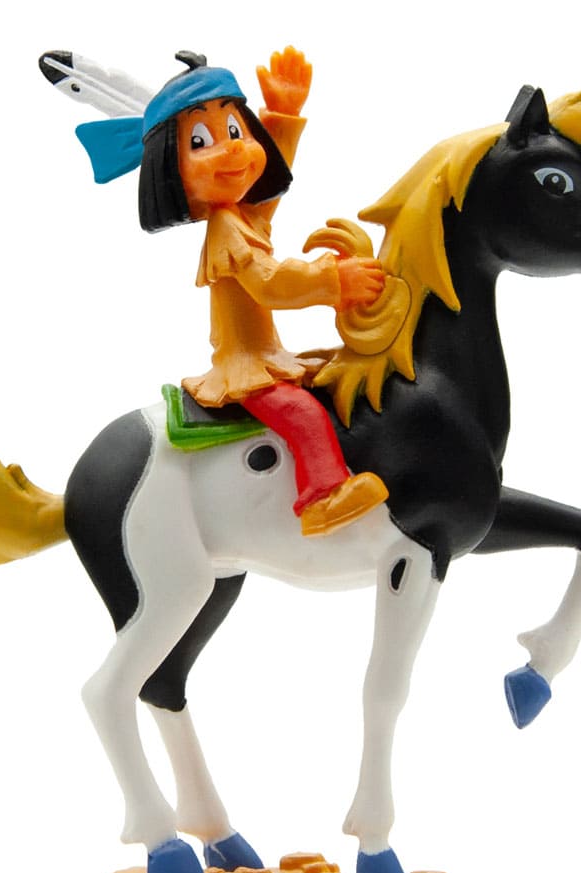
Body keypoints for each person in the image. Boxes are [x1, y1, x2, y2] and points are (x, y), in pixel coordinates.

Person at [83, 47, 388, 535]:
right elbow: (271, 284)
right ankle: (322, 498)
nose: (232, 150)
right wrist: (333, 280)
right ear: (172, 170)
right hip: (244, 363)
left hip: (269, 354)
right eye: (201, 141)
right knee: (303, 415)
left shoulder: (240, 217)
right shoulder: (226, 228)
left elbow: (267, 196)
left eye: (236, 130)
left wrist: (282, 116)